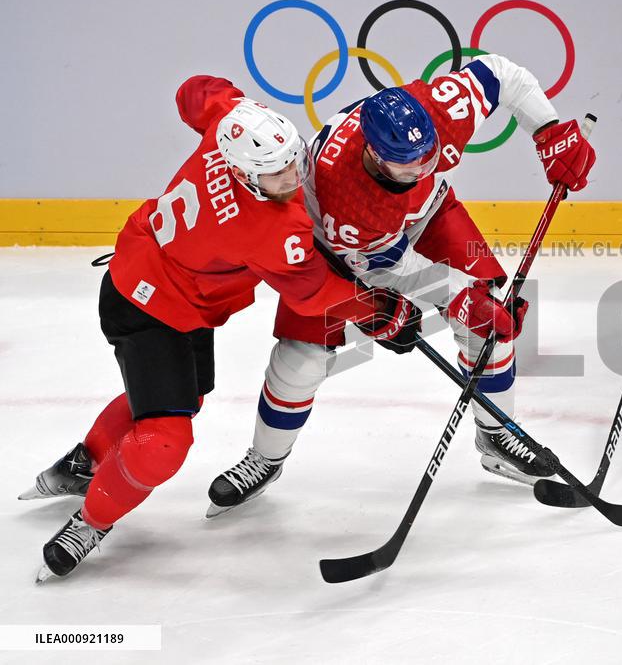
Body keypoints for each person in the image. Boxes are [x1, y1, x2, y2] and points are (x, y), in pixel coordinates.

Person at [20, 76, 420, 581]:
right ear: (246, 176)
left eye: (293, 161)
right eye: (276, 176)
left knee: (184, 396)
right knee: (165, 440)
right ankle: (91, 521)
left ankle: (87, 461)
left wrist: (231, 108)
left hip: (166, 284)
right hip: (147, 308)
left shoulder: (229, 128)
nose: (294, 177)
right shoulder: (270, 229)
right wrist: (383, 311)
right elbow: (313, 291)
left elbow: (193, 91)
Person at [205, 53, 596, 516]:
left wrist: (548, 132)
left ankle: (497, 435)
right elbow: (391, 267)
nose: (421, 173)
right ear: (373, 154)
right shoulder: (343, 193)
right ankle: (265, 459)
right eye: (406, 169)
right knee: (300, 359)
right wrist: (456, 299)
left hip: (432, 217)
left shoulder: (436, 110)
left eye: (427, 161)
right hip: (341, 251)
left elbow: (503, 74)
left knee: (492, 318)